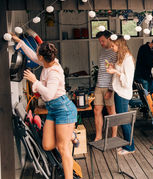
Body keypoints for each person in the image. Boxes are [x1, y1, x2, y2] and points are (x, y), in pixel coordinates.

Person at [12, 35, 77, 179]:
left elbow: (48, 94)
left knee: (62, 148)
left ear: (42, 57)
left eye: (37, 53)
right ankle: (70, 134)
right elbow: (33, 56)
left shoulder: (54, 72)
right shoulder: (47, 63)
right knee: (47, 145)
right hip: (53, 110)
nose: (36, 55)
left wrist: (35, 81)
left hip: (63, 110)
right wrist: (21, 43)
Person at [106, 36, 136, 155]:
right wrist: (114, 68)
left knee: (124, 121)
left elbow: (128, 81)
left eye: (113, 45)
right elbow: (121, 73)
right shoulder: (121, 57)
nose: (112, 48)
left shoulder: (128, 59)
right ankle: (127, 144)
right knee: (122, 120)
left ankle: (130, 147)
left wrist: (115, 72)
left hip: (123, 93)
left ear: (119, 44)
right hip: (118, 92)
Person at [93, 30, 117, 141]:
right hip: (99, 85)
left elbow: (115, 73)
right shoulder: (102, 51)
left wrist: (111, 90)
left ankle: (114, 136)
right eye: (100, 41)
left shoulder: (114, 52)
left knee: (110, 111)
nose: (101, 43)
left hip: (109, 86)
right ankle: (98, 136)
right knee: (96, 110)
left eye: (102, 41)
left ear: (109, 39)